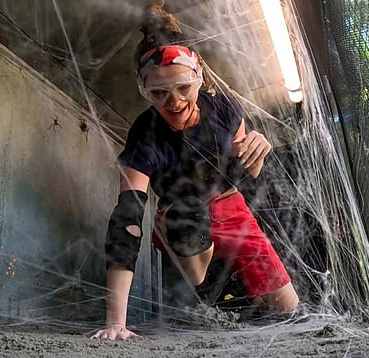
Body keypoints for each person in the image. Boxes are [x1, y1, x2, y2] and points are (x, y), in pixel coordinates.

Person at [91, 5, 298, 341]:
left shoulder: (226, 107)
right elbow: (127, 221)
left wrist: (256, 146)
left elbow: (247, 170)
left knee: (287, 307)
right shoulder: (145, 135)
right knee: (189, 216)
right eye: (159, 93)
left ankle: (240, 293)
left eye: (183, 88)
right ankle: (203, 279)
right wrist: (116, 322)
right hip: (180, 214)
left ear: (199, 77)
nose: (174, 102)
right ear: (144, 89)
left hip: (230, 205)